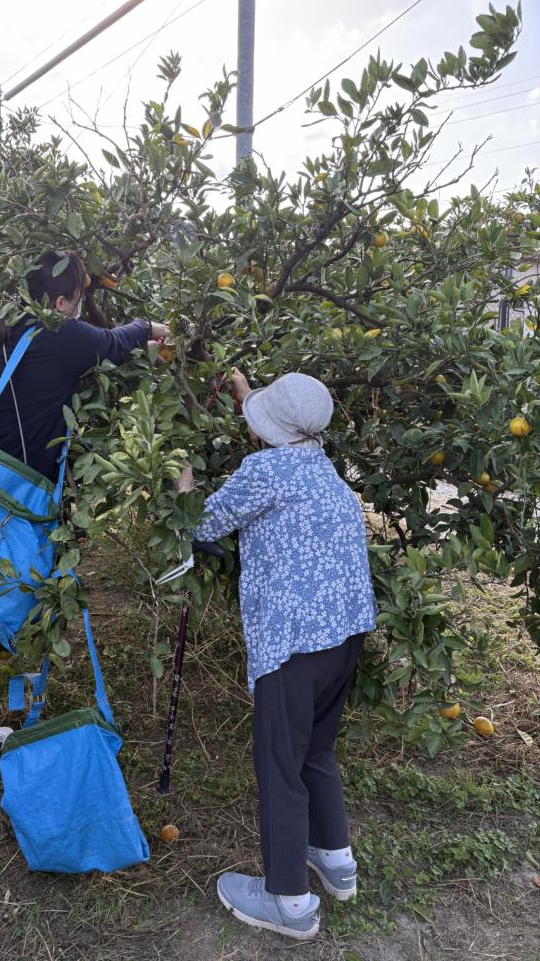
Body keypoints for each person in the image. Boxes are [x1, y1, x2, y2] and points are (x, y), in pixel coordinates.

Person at [0, 250, 169, 841]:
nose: (78, 311)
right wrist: (153, 327)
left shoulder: (5, 326)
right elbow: (117, 342)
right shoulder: (60, 334)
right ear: (63, 301)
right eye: (77, 301)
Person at [179, 367, 376, 940]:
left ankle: (289, 901)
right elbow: (283, 435)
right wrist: (251, 400)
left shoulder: (263, 471)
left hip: (294, 644)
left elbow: (201, 523)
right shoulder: (322, 464)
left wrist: (182, 480)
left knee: (279, 765)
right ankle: (336, 861)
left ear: (273, 429)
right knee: (316, 750)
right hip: (345, 633)